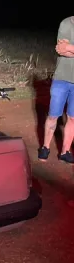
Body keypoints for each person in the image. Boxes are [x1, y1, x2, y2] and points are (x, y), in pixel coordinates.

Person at [39, 16, 74, 162]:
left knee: (72, 118)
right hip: (61, 78)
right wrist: (66, 49)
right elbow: (60, 50)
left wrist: (70, 48)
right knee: (53, 115)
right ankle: (45, 147)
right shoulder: (66, 23)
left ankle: (65, 152)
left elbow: (66, 49)